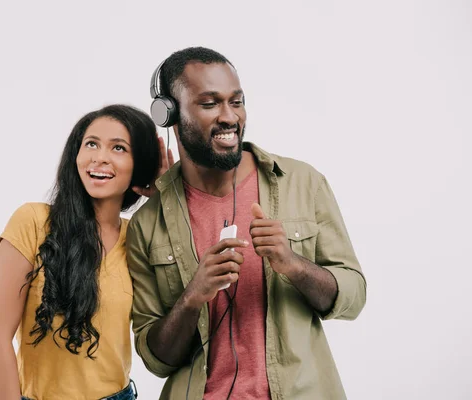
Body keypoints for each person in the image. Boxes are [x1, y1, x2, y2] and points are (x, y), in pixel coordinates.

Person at [126, 47, 367, 400]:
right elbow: (156, 359)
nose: (229, 117)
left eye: (236, 102)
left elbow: (354, 295)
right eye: (210, 104)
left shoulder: (303, 182)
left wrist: (293, 264)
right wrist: (192, 297)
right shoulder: (148, 223)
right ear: (169, 114)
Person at [0, 104, 173, 400]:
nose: (100, 157)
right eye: (91, 144)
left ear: (140, 163)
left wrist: (166, 193)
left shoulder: (140, 236)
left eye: (119, 148)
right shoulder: (33, 221)